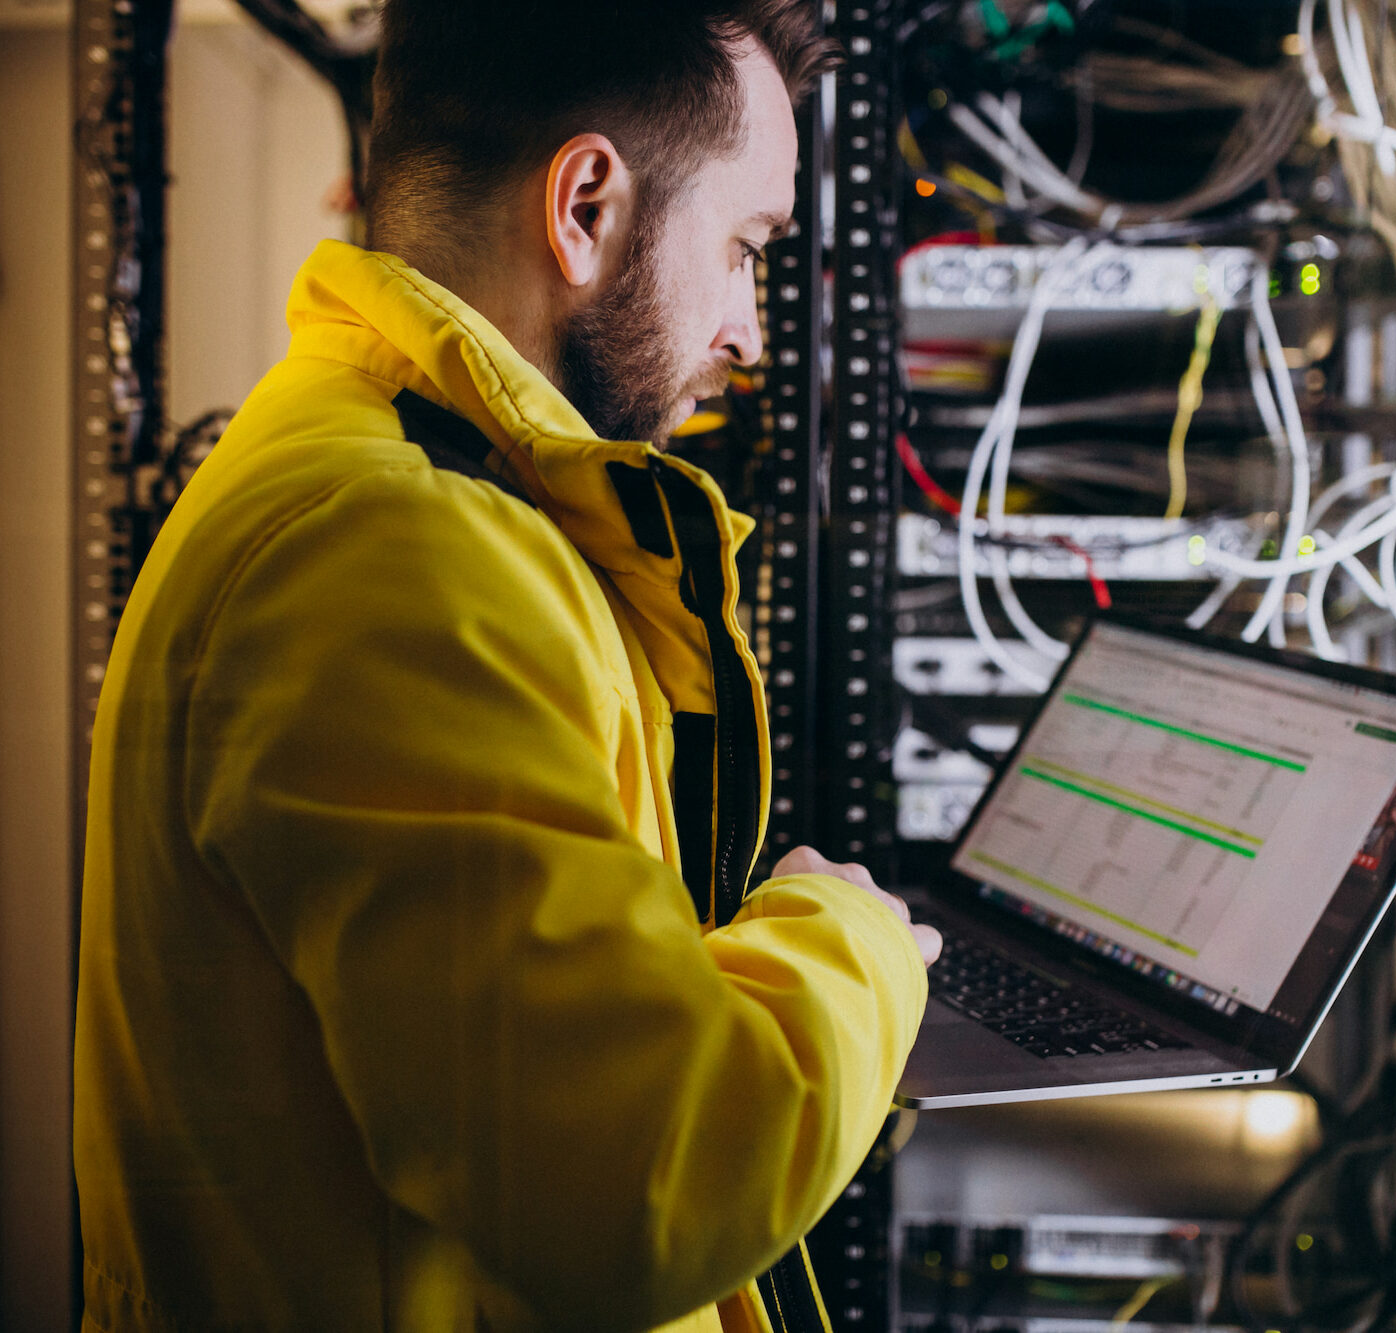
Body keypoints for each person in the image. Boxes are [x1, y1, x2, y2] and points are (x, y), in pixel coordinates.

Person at [73, 3, 941, 1331]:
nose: (751, 331)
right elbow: (641, 1180)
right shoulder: (392, 550)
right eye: (744, 248)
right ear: (585, 203)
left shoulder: (393, 472)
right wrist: (856, 938)